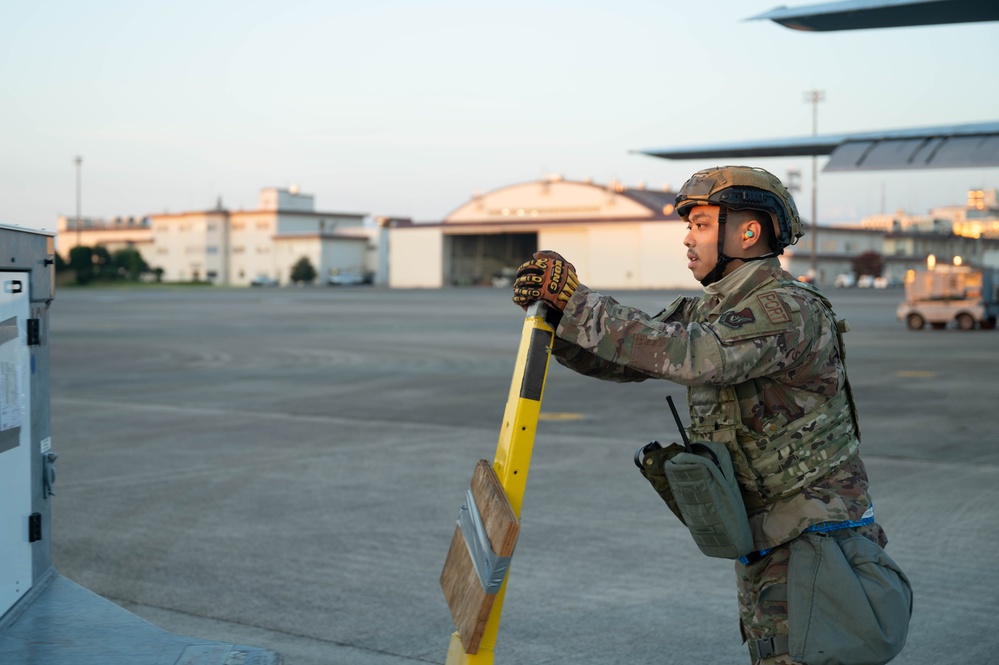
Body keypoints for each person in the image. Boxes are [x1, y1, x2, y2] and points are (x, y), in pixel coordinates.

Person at [510, 166, 911, 665]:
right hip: (768, 539)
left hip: (817, 545)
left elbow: (696, 355)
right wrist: (557, 319)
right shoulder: (714, 309)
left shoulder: (787, 308)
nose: (687, 238)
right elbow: (629, 356)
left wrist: (580, 305)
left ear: (748, 231)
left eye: (700, 224)